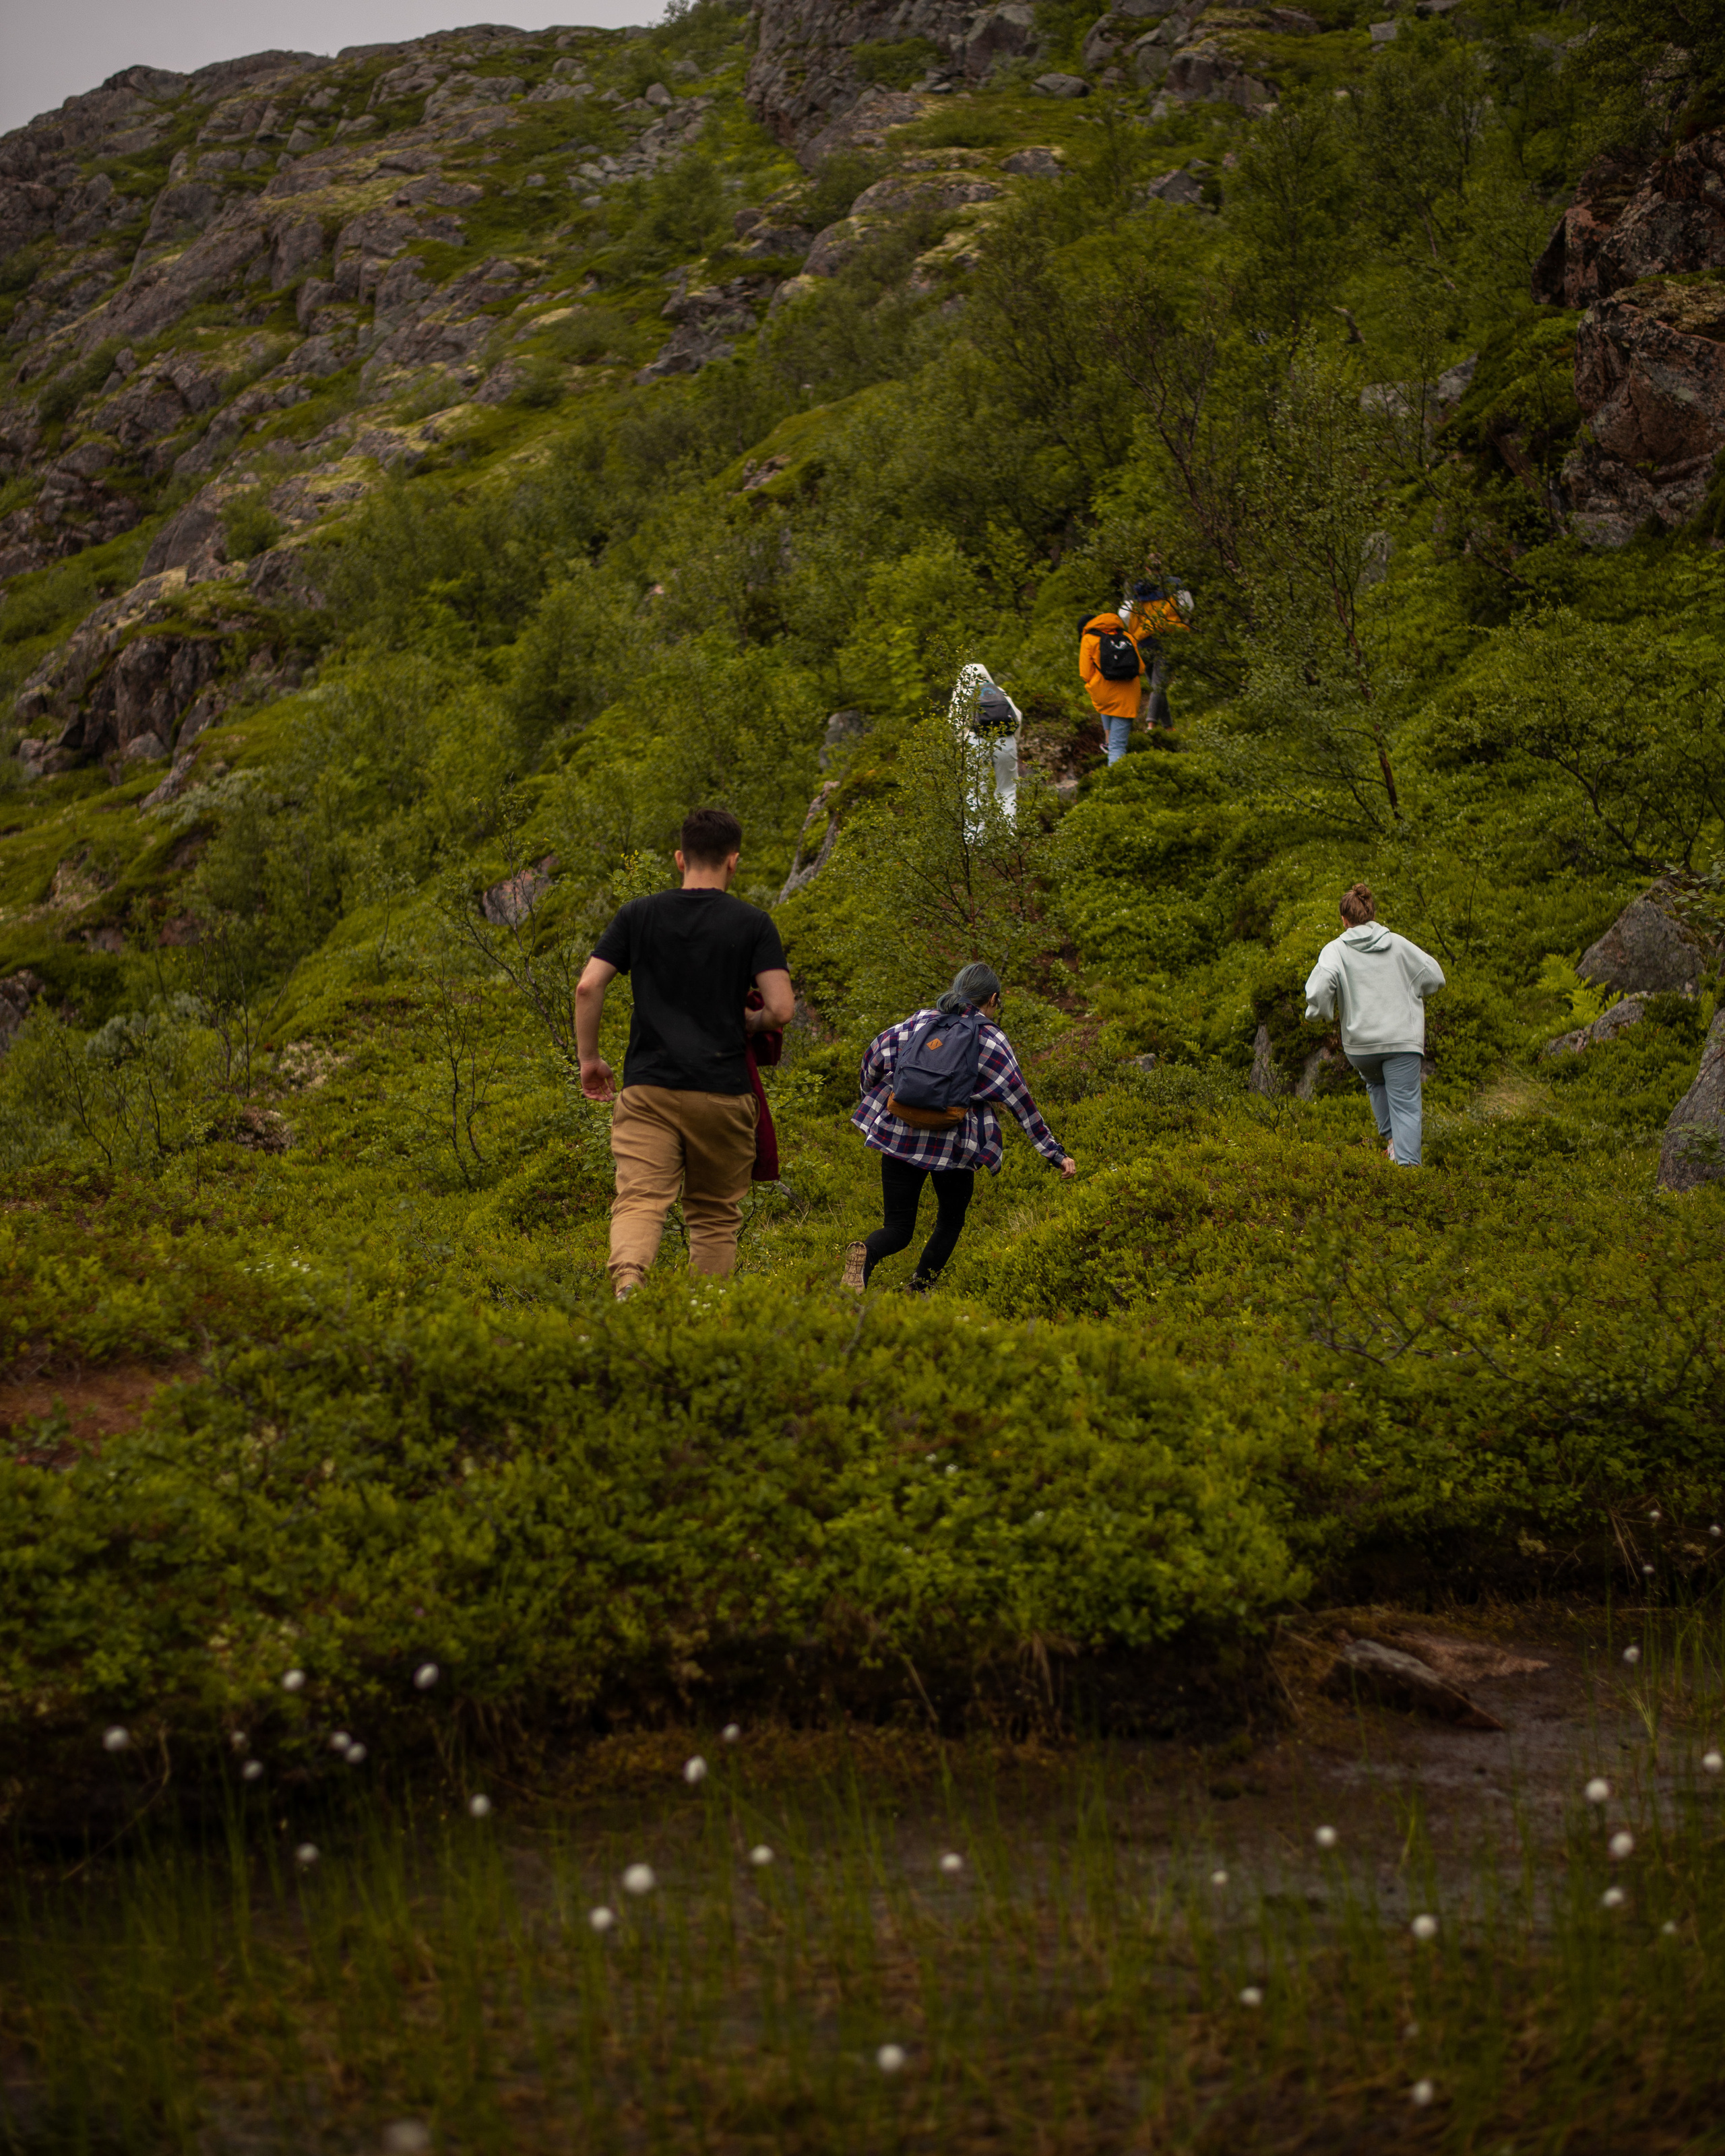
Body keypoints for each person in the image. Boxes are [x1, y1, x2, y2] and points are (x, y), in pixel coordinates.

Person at [576, 806, 795, 1296]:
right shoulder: (753, 923)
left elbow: (588, 987)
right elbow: (781, 1010)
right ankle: (702, 1314)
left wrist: (590, 1060)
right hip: (724, 1092)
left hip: (650, 1088)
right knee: (715, 1216)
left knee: (639, 1200)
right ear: (733, 862)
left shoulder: (638, 915)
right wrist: (752, 1020)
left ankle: (630, 1280)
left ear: (680, 858)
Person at [841, 961, 1076, 1293]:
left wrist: (873, 1099)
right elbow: (1021, 1101)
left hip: (899, 1136)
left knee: (897, 1227)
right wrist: (1055, 1154)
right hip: (955, 1148)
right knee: (950, 1221)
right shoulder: (991, 1038)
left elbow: (873, 1059)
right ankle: (918, 1289)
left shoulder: (919, 1021)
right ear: (993, 999)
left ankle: (864, 1261)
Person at [1303, 884, 1445, 1167]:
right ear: (1371, 913)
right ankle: (1408, 1173)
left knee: (1375, 1082)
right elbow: (1435, 976)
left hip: (1362, 1045)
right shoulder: (1398, 943)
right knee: (1405, 1105)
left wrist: (1320, 1012)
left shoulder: (1335, 950)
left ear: (1344, 920)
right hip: (1401, 1041)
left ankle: (1393, 1144)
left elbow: (1320, 987)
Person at [949, 662, 1021, 826]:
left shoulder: (963, 694)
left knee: (975, 791)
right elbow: (1017, 715)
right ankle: (1007, 833)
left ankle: (975, 839)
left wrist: (962, 748)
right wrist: (1015, 740)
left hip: (976, 741)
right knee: (1008, 789)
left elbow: (955, 726)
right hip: (1006, 740)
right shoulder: (998, 691)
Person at [1120, 572, 1191, 732]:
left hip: (1142, 641)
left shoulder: (1136, 588)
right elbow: (1188, 608)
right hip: (1167, 637)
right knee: (1159, 685)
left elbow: (1124, 615)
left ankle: (1168, 727)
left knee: (1156, 683)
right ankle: (1151, 724)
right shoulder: (1175, 584)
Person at [1077, 606, 1144, 765]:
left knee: (1106, 707)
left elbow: (1085, 674)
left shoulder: (1089, 639)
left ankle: (1108, 742)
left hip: (1104, 695)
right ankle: (1115, 781)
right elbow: (1141, 668)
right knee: (1118, 747)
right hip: (1128, 696)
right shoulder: (1127, 636)